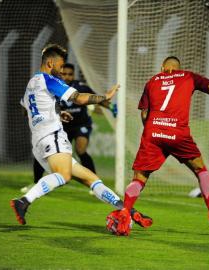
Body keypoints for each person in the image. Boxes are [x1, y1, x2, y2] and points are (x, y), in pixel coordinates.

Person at [10, 44, 152, 228]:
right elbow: (78, 98)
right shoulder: (48, 79)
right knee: (64, 175)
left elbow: (26, 109)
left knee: (90, 178)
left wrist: (56, 113)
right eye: (60, 66)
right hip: (52, 136)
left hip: (39, 140)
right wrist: (103, 97)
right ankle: (24, 201)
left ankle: (127, 210)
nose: (61, 71)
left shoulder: (31, 83)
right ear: (50, 63)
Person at [107, 56, 209, 236]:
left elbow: (144, 114)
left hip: (154, 132)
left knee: (139, 178)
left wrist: (154, 134)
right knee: (201, 170)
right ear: (178, 68)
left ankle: (125, 211)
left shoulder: (152, 81)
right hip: (178, 133)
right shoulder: (189, 76)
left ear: (162, 67)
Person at [27, 63, 116, 191]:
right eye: (64, 74)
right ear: (59, 74)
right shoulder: (54, 87)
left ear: (73, 75)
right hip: (62, 127)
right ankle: (36, 182)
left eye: (70, 74)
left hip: (81, 124)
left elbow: (97, 99)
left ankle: (95, 184)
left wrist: (112, 107)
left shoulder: (80, 87)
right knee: (46, 152)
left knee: (81, 150)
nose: (67, 77)